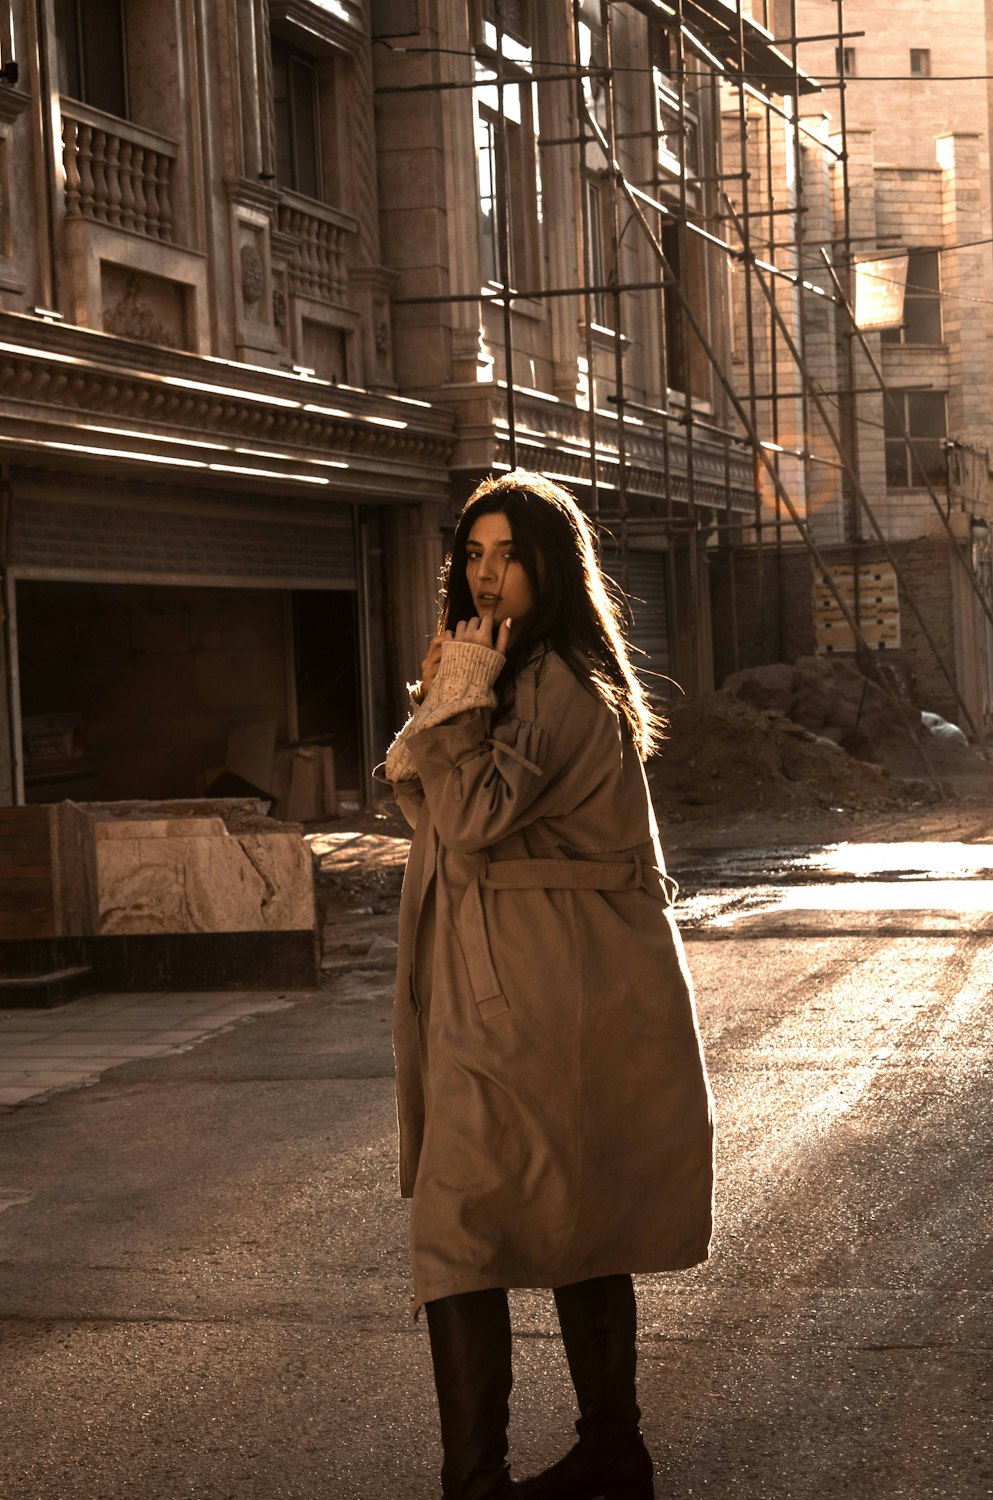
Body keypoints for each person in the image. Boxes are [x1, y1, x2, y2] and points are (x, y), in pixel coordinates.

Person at [377, 470, 715, 1500]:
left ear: (550, 567)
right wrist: (454, 692)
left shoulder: (562, 682)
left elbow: (472, 816)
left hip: (534, 992)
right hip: (502, 979)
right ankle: (613, 1452)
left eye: (507, 556)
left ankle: (478, 1480)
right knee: (570, 1215)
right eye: (472, 556)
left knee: (465, 1226)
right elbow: (427, 801)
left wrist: (459, 698)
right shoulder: (509, 669)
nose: (485, 577)